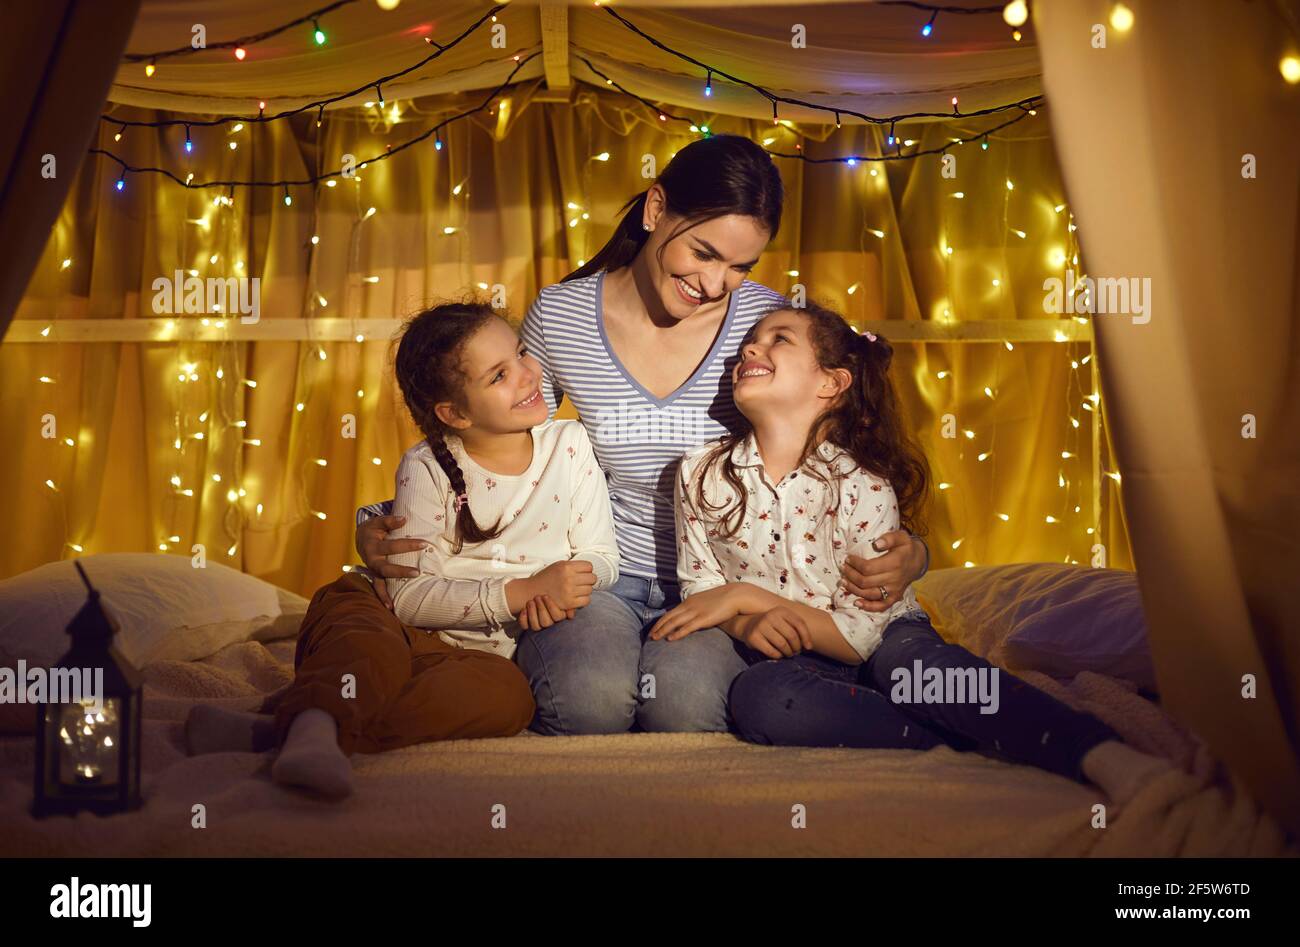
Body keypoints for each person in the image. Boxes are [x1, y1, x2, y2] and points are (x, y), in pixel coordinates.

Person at [355, 134, 931, 735]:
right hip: (596, 570)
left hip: (726, 584)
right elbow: (502, 441)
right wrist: (385, 518)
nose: (715, 284)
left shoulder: (762, 325)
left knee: (681, 708)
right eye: (705, 254)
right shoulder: (561, 315)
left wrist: (912, 550)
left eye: (739, 266)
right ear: (656, 210)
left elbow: (832, 450)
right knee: (587, 704)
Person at [649, 302, 1176, 807]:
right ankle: (953, 744)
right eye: (747, 344)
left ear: (830, 383)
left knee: (917, 668)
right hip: (797, 659)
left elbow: (859, 637)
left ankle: (1096, 752)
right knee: (760, 696)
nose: (748, 352)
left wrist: (746, 597)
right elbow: (702, 591)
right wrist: (743, 626)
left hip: (881, 638)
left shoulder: (864, 487)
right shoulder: (699, 473)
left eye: (776, 340)